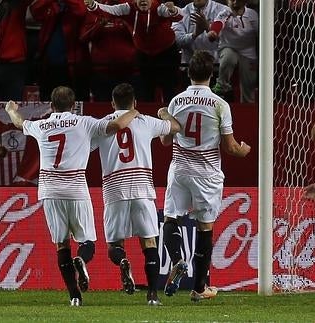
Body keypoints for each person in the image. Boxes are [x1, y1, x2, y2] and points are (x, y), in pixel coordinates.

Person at [5, 86, 139, 306]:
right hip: (76, 189)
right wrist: (132, 112)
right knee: (88, 241)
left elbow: (19, 123)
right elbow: (115, 125)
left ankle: (74, 296)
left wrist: (11, 109)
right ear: (74, 106)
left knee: (62, 245)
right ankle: (82, 261)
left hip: (49, 191)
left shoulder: (42, 125)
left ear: (51, 106)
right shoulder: (83, 122)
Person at [160, 50, 250, 302]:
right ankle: (199, 289)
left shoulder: (176, 102)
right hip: (207, 174)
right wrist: (243, 151)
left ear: (188, 73)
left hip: (179, 168)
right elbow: (230, 146)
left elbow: (166, 141)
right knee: (204, 228)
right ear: (212, 74)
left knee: (171, 217)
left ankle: (177, 260)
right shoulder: (221, 104)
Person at [91, 83, 181, 306]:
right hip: (142, 188)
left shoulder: (104, 125)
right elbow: (176, 128)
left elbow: (85, 145)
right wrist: (163, 112)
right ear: (135, 102)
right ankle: (152, 296)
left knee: (114, 244)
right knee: (149, 243)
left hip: (114, 190)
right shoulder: (145, 121)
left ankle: (122, 261)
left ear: (112, 103)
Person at [83, 0, 182, 102]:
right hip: (144, 55)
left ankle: (170, 116)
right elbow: (109, 10)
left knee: (169, 91)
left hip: (167, 54)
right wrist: (93, 5)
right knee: (146, 94)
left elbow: (179, 16)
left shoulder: (158, 8)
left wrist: (173, 10)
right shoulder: (128, 8)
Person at [207, 0, 258, 102]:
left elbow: (259, 32)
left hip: (248, 51)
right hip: (229, 47)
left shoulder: (252, 14)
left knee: (249, 83)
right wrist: (213, 32)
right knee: (228, 58)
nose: (234, 2)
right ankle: (222, 85)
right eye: (231, 0)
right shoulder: (225, 12)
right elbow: (218, 23)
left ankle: (248, 106)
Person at [172, 0, 228, 86]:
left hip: (217, 68)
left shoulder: (223, 11)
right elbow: (178, 42)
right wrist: (194, 34)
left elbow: (229, 41)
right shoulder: (181, 13)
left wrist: (208, 28)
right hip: (190, 69)